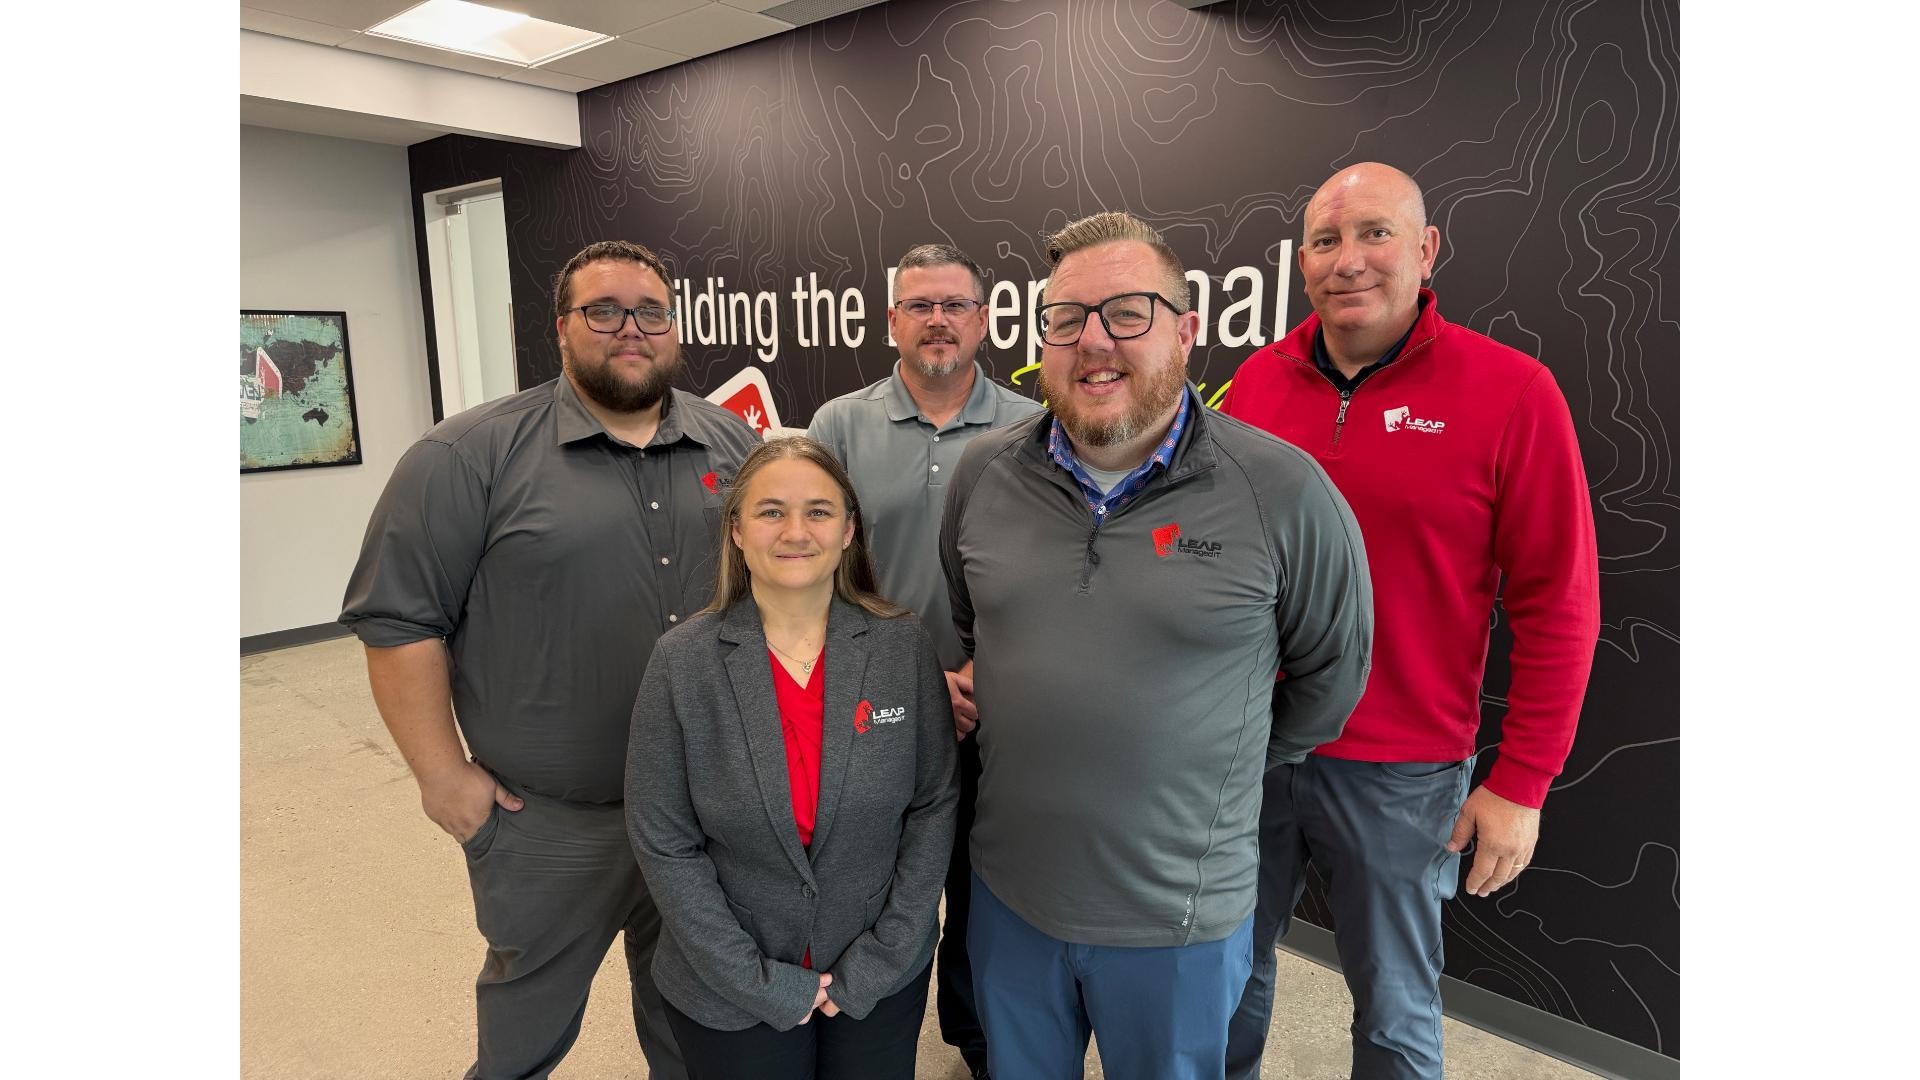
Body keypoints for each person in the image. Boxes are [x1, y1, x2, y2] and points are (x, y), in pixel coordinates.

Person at [937, 211, 1374, 1080]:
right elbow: (966, 627)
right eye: (1066, 318)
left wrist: (1218, 750)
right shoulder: (982, 476)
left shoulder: (1284, 492)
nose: (1094, 342)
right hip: (1010, 899)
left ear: (1186, 330)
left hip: (1179, 921)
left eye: (1128, 313)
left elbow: (1332, 678)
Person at [339, 239, 761, 1080]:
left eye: (650, 311)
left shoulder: (734, 447)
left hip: (706, 812)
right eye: (603, 311)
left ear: (675, 327)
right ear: (561, 327)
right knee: (522, 1041)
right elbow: (398, 621)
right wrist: (442, 777)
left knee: (696, 1032)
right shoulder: (466, 457)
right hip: (550, 824)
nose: (630, 328)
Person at [1219, 163, 1601, 1080]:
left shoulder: (1512, 392)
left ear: (1426, 250)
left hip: (1402, 771)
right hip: (1247, 748)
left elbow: (1560, 601)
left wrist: (1522, 783)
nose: (1348, 259)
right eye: (1325, 240)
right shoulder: (1258, 383)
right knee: (1222, 979)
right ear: (1302, 263)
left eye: (1375, 233)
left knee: (1395, 1010)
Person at [626, 436, 959, 1080]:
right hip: (728, 987)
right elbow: (663, 839)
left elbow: (933, 804)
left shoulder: (902, 646)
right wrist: (754, 980)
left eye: (819, 511)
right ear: (736, 531)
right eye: (771, 511)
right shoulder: (682, 661)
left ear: (849, 530)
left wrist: (884, 956)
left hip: (877, 977)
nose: (796, 532)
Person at [807, 241, 1043, 1079]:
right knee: (880, 895)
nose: (937, 320)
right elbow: (813, 569)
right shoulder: (839, 426)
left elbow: (1052, 572)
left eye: (954, 305)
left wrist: (975, 675)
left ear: (984, 320)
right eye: (919, 305)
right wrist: (909, 680)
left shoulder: (1032, 426)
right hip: (871, 709)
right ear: (891, 321)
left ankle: (978, 1047)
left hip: (996, 710)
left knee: (986, 901)